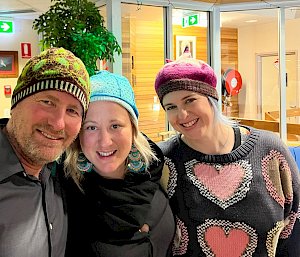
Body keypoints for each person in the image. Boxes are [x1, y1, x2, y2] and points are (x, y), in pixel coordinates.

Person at [154, 56, 300, 257]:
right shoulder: (164, 162)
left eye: (190, 100)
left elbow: (294, 223)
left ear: (212, 99)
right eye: (171, 107)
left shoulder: (269, 150)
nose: (183, 114)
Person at [63, 70, 175, 257]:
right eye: (91, 127)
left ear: (133, 128)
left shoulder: (158, 169)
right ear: (79, 135)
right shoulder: (65, 194)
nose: (104, 141)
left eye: (115, 126)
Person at [0, 47, 90, 257]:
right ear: (16, 103)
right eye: (47, 102)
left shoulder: (66, 173)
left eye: (72, 111)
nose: (58, 124)